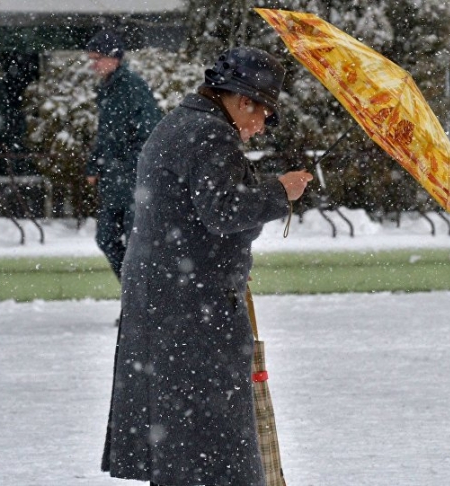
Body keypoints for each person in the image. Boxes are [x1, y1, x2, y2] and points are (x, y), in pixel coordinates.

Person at [101, 46, 313, 486]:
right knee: (211, 444)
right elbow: (224, 210)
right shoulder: (211, 134)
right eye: (264, 115)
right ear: (244, 101)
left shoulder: (182, 124)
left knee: (180, 441)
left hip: (168, 300)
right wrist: (280, 191)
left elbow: (199, 214)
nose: (261, 127)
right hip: (192, 310)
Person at [85, 29, 163, 281]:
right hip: (114, 181)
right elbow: (105, 134)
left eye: (97, 58)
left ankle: (140, 298)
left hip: (134, 182)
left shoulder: (133, 87)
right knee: (106, 238)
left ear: (114, 57)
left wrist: (129, 167)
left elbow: (149, 135)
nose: (93, 64)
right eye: (91, 59)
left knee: (135, 246)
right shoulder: (108, 89)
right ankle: (136, 294)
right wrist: (94, 166)